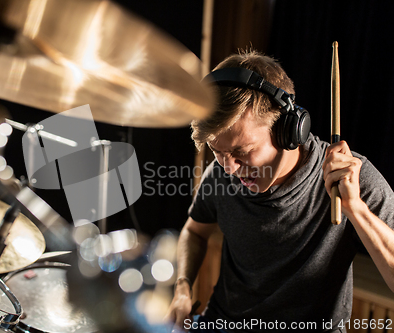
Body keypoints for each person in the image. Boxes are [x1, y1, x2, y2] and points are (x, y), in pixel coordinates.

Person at [165, 50, 394, 332]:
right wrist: (182, 288)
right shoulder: (219, 174)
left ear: (289, 132)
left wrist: (356, 209)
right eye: (216, 151)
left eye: (241, 152)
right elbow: (194, 232)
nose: (228, 168)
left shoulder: (352, 179)